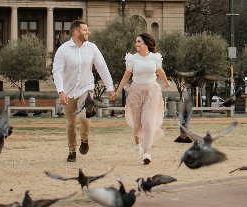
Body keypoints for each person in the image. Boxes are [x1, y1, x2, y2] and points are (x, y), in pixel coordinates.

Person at [52, 20, 116, 162]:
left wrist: (110, 87)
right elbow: (57, 71)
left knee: (84, 116)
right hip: (68, 91)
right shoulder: (63, 49)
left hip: (86, 88)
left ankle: (85, 139)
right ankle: (72, 151)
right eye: (85, 30)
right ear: (76, 32)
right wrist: (60, 91)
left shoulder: (92, 48)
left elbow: (102, 67)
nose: (88, 32)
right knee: (71, 124)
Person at [115, 32, 171, 165]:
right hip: (136, 92)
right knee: (137, 123)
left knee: (148, 121)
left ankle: (147, 152)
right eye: (136, 42)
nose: (136, 44)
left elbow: (160, 71)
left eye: (139, 41)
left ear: (146, 43)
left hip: (152, 91)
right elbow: (126, 76)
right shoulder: (132, 59)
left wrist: (166, 81)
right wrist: (117, 91)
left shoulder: (155, 58)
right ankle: (137, 144)